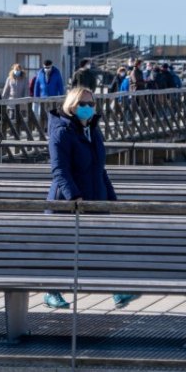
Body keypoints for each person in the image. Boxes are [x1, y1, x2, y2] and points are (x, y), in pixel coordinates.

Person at [43, 87, 136, 310]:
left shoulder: (93, 130)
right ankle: (52, 292)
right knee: (64, 248)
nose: (88, 108)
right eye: (83, 104)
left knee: (103, 243)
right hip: (67, 200)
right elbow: (59, 170)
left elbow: (99, 168)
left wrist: (111, 197)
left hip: (96, 194)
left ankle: (116, 289)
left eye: (91, 104)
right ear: (72, 106)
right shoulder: (61, 132)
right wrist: (75, 197)